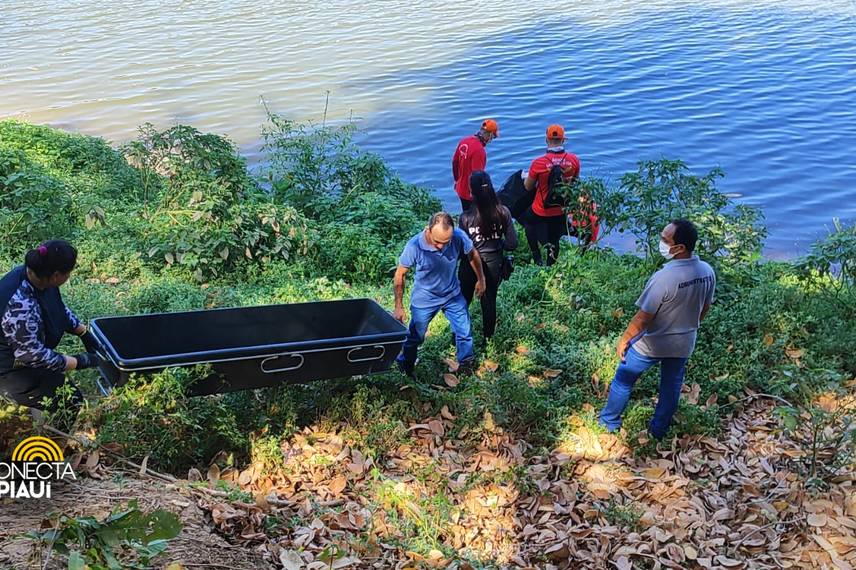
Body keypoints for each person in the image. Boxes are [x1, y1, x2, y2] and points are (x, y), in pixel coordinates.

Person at [599, 220, 716, 439]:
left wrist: (625, 338)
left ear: (680, 248)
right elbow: (705, 308)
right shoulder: (707, 271)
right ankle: (658, 431)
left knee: (623, 379)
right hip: (683, 343)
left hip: (652, 343)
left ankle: (608, 422)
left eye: (665, 240)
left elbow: (643, 317)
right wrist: (688, 326)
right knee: (671, 387)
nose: (661, 242)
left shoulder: (664, 277)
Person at [0, 240, 99, 414]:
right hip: (10, 370)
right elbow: (32, 355)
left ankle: (40, 416)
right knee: (70, 400)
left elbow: (57, 308)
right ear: (56, 275)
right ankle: (52, 440)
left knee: (56, 388)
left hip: (23, 355)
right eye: (68, 273)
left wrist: (82, 331)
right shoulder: (19, 305)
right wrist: (79, 361)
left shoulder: (38, 277)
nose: (69, 277)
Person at [393, 213, 486, 376]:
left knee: (464, 331)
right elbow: (400, 274)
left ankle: (466, 365)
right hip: (424, 299)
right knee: (415, 337)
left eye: (446, 243)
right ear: (428, 231)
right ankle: (405, 365)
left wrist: (481, 279)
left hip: (452, 295)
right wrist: (398, 306)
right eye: (437, 242)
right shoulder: (414, 246)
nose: (441, 247)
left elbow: (472, 254)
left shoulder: (458, 236)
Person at [458, 171, 518, 340]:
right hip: (493, 265)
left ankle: (458, 338)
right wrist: (498, 246)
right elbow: (513, 243)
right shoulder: (503, 212)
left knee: (463, 302)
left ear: (471, 192)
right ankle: (488, 340)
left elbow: (461, 248)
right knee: (489, 302)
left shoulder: (465, 218)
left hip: (469, 265)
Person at [522, 124, 581, 265]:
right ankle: (551, 265)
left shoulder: (538, 163)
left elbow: (528, 187)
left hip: (540, 209)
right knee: (554, 238)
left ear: (546, 140)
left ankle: (536, 256)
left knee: (528, 221)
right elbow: (574, 182)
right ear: (563, 140)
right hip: (560, 209)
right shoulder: (574, 160)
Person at [452, 119, 499, 212]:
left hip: (460, 188)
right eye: (493, 137)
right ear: (489, 135)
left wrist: (457, 180)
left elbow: (454, 162)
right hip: (470, 195)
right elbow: (477, 177)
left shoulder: (464, 141)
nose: (491, 140)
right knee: (474, 219)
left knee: (466, 214)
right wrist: (479, 196)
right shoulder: (479, 151)